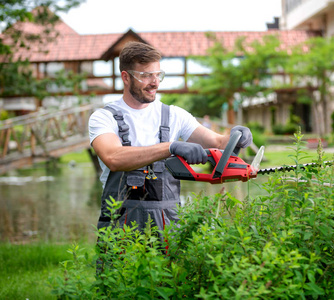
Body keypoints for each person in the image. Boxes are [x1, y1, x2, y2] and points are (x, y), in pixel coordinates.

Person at [88, 41, 252, 242]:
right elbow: (113, 157)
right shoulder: (104, 117)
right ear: (126, 77)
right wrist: (171, 147)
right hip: (119, 225)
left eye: (158, 75)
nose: (155, 82)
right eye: (146, 75)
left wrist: (236, 137)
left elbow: (217, 143)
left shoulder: (175, 115)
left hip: (168, 225)